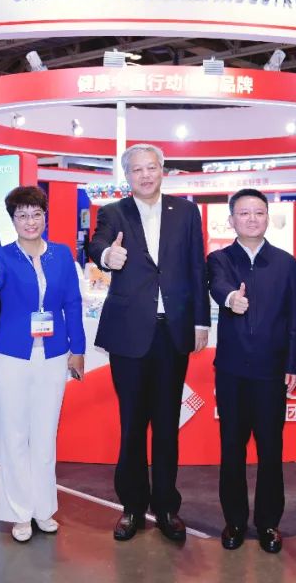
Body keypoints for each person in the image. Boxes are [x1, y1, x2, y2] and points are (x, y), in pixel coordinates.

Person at [85, 143, 210, 543]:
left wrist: (201, 321)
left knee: (167, 424)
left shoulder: (185, 212)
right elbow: (95, 244)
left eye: (151, 167)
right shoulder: (113, 212)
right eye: (136, 169)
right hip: (129, 333)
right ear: (127, 175)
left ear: (162, 170)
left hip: (172, 332)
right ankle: (132, 508)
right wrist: (107, 256)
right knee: (133, 424)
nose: (145, 175)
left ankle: (167, 508)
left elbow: (197, 266)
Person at [0, 185, 85, 543]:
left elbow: (72, 302)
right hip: (12, 354)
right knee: (13, 435)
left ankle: (43, 508)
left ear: (45, 217)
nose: (30, 221)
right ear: (13, 220)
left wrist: (77, 348)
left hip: (53, 354)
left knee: (44, 434)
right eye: (22, 215)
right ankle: (19, 512)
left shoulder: (62, 254)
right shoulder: (2, 255)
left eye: (36, 214)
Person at [207, 188, 296, 554]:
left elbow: (293, 317)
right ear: (231, 220)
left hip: (271, 371)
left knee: (270, 449)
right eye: (244, 213)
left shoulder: (285, 262)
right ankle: (233, 520)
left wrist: (292, 363)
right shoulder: (219, 258)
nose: (251, 219)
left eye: (258, 212)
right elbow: (218, 286)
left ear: (267, 218)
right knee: (231, 447)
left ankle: (268, 522)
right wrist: (232, 298)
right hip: (232, 370)